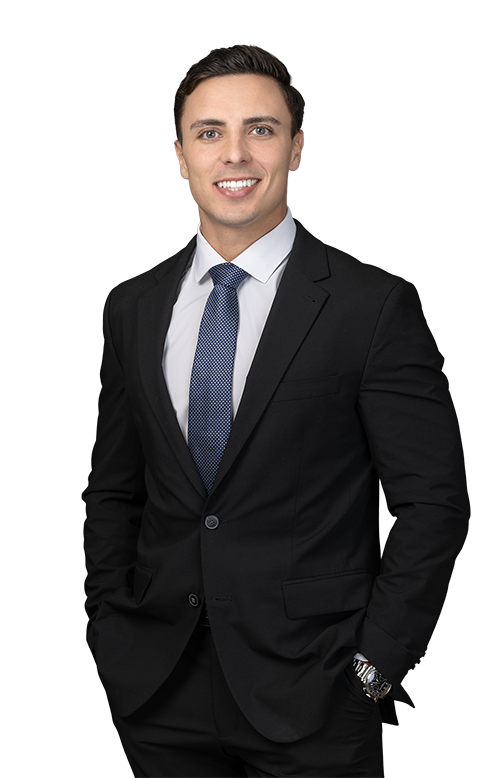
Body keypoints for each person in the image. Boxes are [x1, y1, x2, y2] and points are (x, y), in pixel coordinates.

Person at [83, 44, 469, 777]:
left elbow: (433, 503)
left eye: (260, 129)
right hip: (158, 689)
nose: (235, 153)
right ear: (180, 156)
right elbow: (114, 490)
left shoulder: (372, 305)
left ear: (295, 148)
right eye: (209, 132)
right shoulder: (130, 306)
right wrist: (108, 630)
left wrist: (376, 666)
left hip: (316, 690)